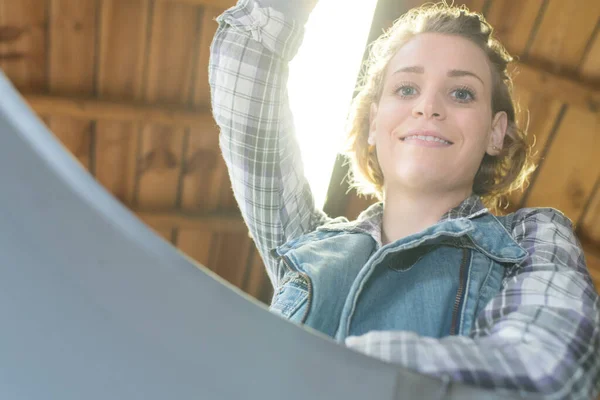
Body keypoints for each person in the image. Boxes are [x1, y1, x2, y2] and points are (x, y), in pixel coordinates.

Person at [209, 1, 600, 398]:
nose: (428, 106)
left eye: (462, 93)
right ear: (374, 123)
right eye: (406, 88)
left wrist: (334, 367)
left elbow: (551, 370)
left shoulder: (532, 238)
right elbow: (246, 87)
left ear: (495, 134)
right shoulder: (309, 246)